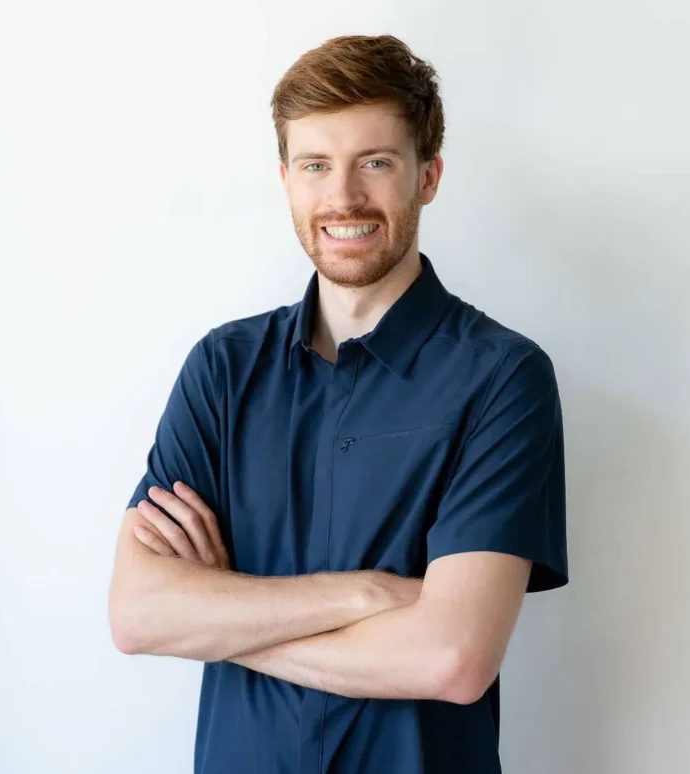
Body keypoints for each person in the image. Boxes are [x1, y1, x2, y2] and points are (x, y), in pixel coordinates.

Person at [109, 33, 568, 774]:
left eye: (375, 162)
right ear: (286, 179)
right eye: (316, 165)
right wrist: (366, 595)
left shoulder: (504, 379)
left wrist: (222, 617)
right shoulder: (221, 371)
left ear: (428, 176)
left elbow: (452, 658)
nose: (343, 197)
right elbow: (138, 614)